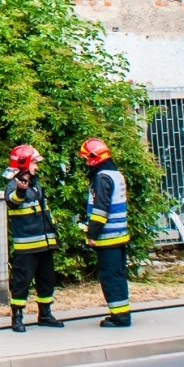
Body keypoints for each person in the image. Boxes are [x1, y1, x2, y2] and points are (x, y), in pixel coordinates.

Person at [4, 144, 62, 331]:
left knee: (47, 280)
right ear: (24, 163)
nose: (36, 167)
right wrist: (21, 191)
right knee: (21, 282)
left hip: (44, 244)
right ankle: (17, 318)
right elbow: (12, 202)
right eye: (34, 163)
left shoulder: (36, 185)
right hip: (27, 246)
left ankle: (45, 314)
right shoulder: (13, 184)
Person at [79, 137, 131, 327]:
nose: (86, 162)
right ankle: (122, 312)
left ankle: (119, 317)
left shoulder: (102, 178)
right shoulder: (115, 174)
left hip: (108, 236)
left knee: (110, 276)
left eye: (87, 158)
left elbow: (100, 210)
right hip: (119, 234)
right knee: (118, 274)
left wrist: (92, 234)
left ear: (94, 158)